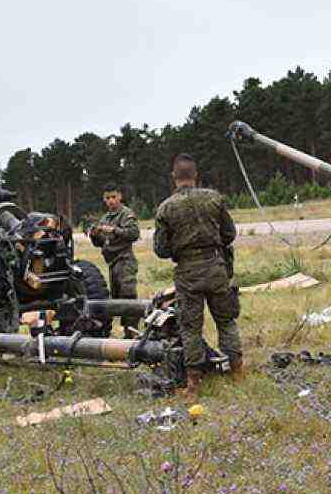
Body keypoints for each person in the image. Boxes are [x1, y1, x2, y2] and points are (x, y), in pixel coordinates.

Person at [153, 154, 243, 392]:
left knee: (190, 327)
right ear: (195, 175)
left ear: (174, 177)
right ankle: (237, 372)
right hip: (216, 267)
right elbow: (229, 234)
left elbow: (160, 249)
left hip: (188, 272)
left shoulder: (165, 208)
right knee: (226, 321)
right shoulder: (214, 199)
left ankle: (193, 382)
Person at [86, 185, 141, 335]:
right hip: (112, 262)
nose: (111, 201)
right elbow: (101, 243)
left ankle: (132, 332)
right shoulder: (105, 218)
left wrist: (114, 230)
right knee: (117, 298)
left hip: (125, 260)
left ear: (120, 197)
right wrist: (95, 234)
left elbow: (134, 233)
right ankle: (126, 331)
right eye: (107, 198)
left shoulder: (126, 214)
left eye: (113, 197)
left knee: (128, 295)